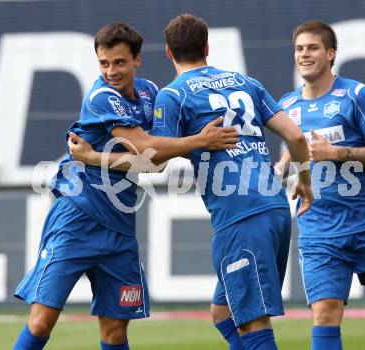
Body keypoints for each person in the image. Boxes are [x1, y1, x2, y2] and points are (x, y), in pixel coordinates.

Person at [69, 13, 312, 350]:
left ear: (168, 52)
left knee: (253, 322)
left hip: (239, 215)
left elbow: (152, 158)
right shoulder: (246, 82)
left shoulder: (173, 96)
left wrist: (93, 157)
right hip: (274, 208)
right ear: (207, 47)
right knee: (223, 313)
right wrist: (305, 181)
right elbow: (296, 137)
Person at [12, 22, 238, 350]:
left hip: (119, 226)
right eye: (104, 63)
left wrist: (93, 157)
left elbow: (154, 161)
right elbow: (148, 146)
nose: (111, 71)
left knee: (116, 332)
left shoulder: (149, 93)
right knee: (42, 321)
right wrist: (199, 141)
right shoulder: (101, 97)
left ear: (137, 60)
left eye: (119, 62)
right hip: (78, 217)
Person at [277, 20, 365, 350]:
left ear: (331, 54)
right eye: (299, 48)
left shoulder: (356, 95)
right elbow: (289, 155)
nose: (304, 54)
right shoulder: (287, 106)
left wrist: (336, 153)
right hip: (319, 228)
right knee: (325, 312)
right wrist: (280, 171)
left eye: (312, 47)